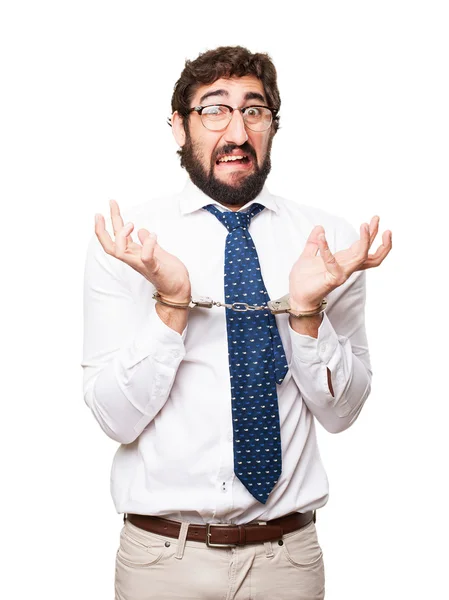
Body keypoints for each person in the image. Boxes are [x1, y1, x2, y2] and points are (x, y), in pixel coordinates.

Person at [82, 45, 392, 600]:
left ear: (272, 126)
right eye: (214, 110)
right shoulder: (128, 243)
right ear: (179, 127)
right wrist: (171, 305)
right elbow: (114, 417)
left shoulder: (329, 244)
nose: (237, 130)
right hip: (162, 561)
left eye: (254, 110)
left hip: (287, 561)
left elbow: (343, 413)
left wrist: (306, 313)